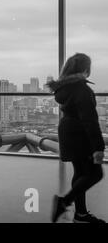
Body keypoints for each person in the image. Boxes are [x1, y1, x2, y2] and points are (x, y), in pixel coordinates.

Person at [48, 53, 105, 223]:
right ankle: (64, 202)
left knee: (80, 173)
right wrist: (98, 147)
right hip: (80, 135)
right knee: (95, 174)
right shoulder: (82, 89)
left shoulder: (65, 88)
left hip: (67, 131)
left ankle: (80, 215)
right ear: (86, 69)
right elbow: (90, 120)